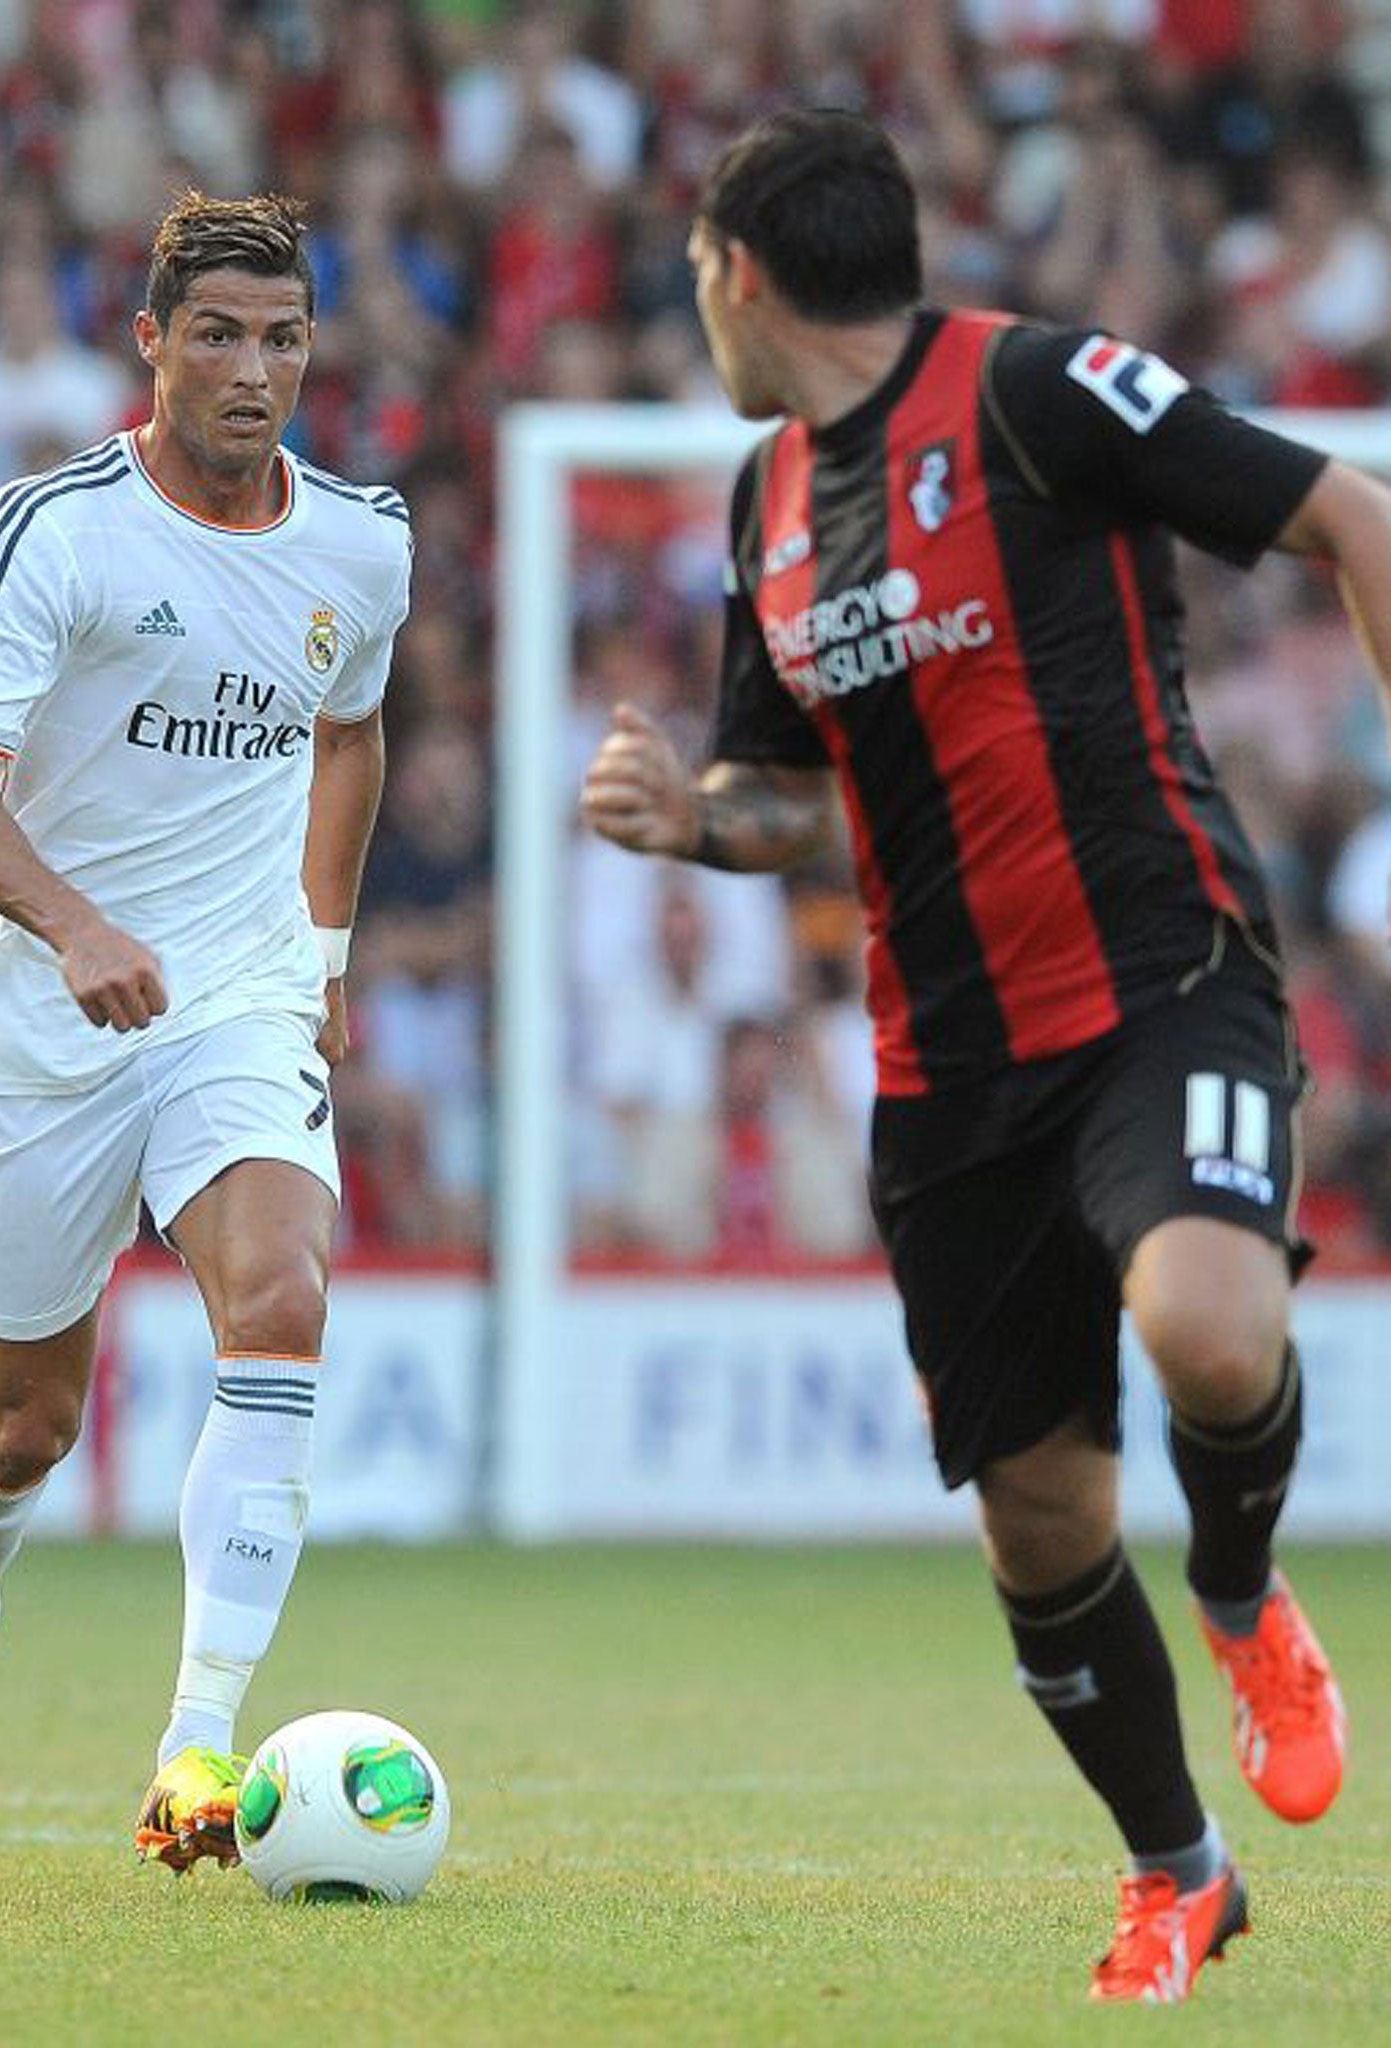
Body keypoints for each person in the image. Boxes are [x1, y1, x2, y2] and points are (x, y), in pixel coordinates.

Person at [580, 108, 1381, 2004]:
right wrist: (694, 821)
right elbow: (787, 800)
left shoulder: (1042, 389)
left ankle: (1247, 1595)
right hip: (945, 1066)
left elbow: (1351, 511)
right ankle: (1181, 1872)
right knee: (1041, 1522)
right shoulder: (760, 504)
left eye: (695, 273)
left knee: (1210, 1327)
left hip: (1161, 976)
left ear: (737, 273)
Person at [0, 191, 412, 1872]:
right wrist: (72, 921)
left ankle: (196, 1749)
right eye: (219, 337)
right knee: (26, 1426)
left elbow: (352, 733)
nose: (253, 373)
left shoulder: (362, 542)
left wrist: (320, 949)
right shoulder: (55, 530)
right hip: (47, 1021)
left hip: (237, 998)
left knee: (283, 1296)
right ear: (152, 346)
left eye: (283, 340)